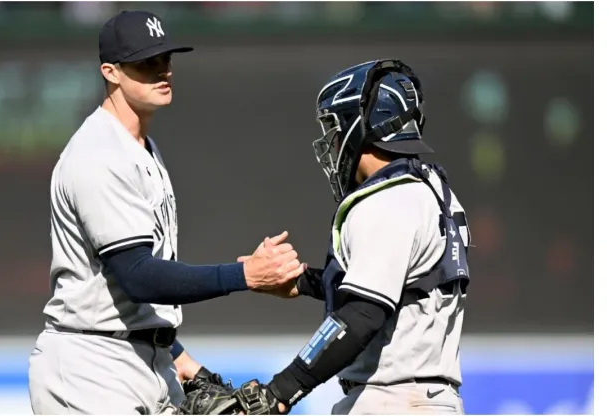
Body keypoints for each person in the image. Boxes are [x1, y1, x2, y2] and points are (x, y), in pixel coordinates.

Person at [27, 10, 306, 415]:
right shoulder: (98, 154)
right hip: (91, 369)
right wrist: (245, 274)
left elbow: (122, 294)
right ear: (111, 72)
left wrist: (183, 361)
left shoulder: (143, 149)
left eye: (166, 59)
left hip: (141, 361)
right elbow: (138, 276)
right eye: (146, 62)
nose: (163, 71)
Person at [182, 59, 472, 415]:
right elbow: (398, 288)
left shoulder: (389, 199)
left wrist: (278, 392)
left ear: (361, 124)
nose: (332, 144)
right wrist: (304, 282)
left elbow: (363, 313)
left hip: (391, 400)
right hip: (425, 399)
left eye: (335, 130)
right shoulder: (432, 189)